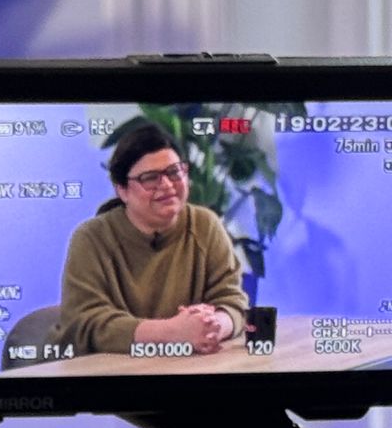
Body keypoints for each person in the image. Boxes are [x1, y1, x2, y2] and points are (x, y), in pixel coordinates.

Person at [54, 121, 250, 356]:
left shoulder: (206, 225)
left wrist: (213, 325)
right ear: (122, 190)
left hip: (186, 366)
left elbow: (232, 300)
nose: (166, 185)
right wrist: (172, 332)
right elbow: (83, 324)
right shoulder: (91, 238)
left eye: (174, 172)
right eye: (150, 178)